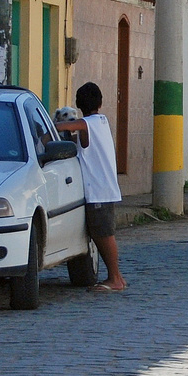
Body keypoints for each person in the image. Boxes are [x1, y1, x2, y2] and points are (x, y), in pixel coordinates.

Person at [54, 82, 127, 293]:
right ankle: (117, 276)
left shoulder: (86, 124)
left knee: (104, 235)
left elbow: (63, 128)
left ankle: (115, 278)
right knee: (101, 234)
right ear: (101, 103)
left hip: (98, 191)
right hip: (104, 189)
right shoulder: (101, 122)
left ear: (78, 104)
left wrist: (48, 128)